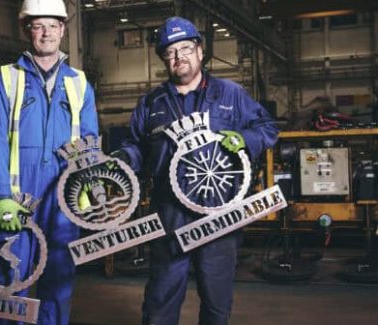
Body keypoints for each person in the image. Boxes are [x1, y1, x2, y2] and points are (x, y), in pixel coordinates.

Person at [112, 16, 278, 325]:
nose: (179, 57)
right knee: (160, 302)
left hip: (220, 215)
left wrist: (245, 139)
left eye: (185, 48)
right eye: (170, 52)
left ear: (200, 51)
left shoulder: (230, 94)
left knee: (216, 304)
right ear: (164, 59)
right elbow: (136, 146)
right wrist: (122, 158)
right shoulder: (151, 103)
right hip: (170, 217)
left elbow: (267, 128)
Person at [0, 0, 99, 323]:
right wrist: (2, 195)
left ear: (62, 30)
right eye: (37, 25)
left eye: (52, 25)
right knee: (8, 280)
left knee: (58, 282)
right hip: (17, 199)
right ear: (26, 30)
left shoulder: (79, 83)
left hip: (63, 198)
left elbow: (90, 143)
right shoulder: (6, 79)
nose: (45, 33)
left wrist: (92, 192)